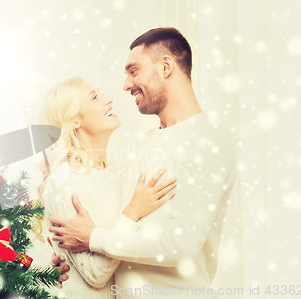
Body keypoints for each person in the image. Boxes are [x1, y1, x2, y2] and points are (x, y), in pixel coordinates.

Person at [49, 28, 238, 299]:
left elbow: (179, 246)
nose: (125, 85)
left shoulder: (209, 138)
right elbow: (119, 223)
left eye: (133, 71)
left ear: (165, 66)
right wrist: (66, 259)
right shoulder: (137, 145)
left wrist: (93, 238)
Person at [37, 76, 177, 298]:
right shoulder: (63, 184)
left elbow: (133, 247)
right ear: (74, 120)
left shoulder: (117, 174)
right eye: (95, 97)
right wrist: (133, 211)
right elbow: (96, 274)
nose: (109, 99)